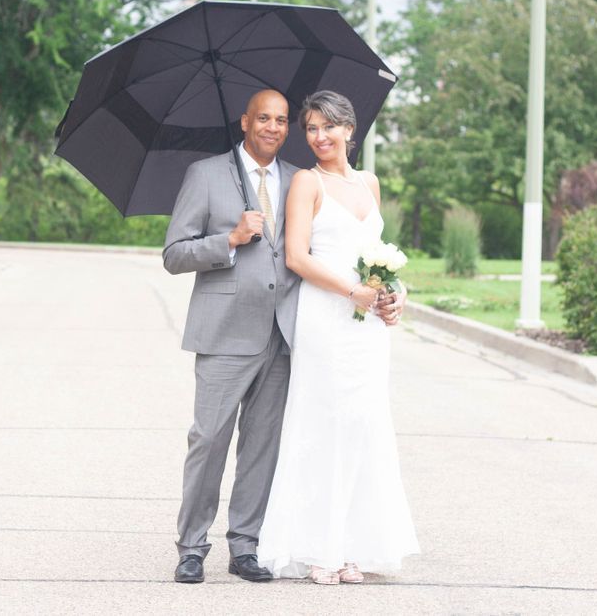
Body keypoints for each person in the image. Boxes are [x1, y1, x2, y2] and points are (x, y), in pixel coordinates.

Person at [163, 89, 403, 584]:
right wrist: (227, 239)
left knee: (263, 444)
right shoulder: (205, 175)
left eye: (281, 120)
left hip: (287, 332)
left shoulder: (299, 178)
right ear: (245, 121)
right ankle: (191, 547)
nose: (273, 127)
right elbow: (174, 254)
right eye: (263, 119)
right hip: (225, 331)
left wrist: (390, 290)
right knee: (208, 439)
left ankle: (245, 545)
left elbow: (348, 252)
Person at [256, 90, 419, 585]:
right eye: (310, 128)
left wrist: (397, 293)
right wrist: (352, 291)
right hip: (326, 317)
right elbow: (298, 257)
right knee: (324, 424)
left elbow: (379, 252)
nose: (319, 137)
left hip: (367, 327)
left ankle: (352, 547)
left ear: (351, 130)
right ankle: (318, 548)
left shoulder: (370, 182)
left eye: (328, 127)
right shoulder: (306, 182)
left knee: (363, 426)